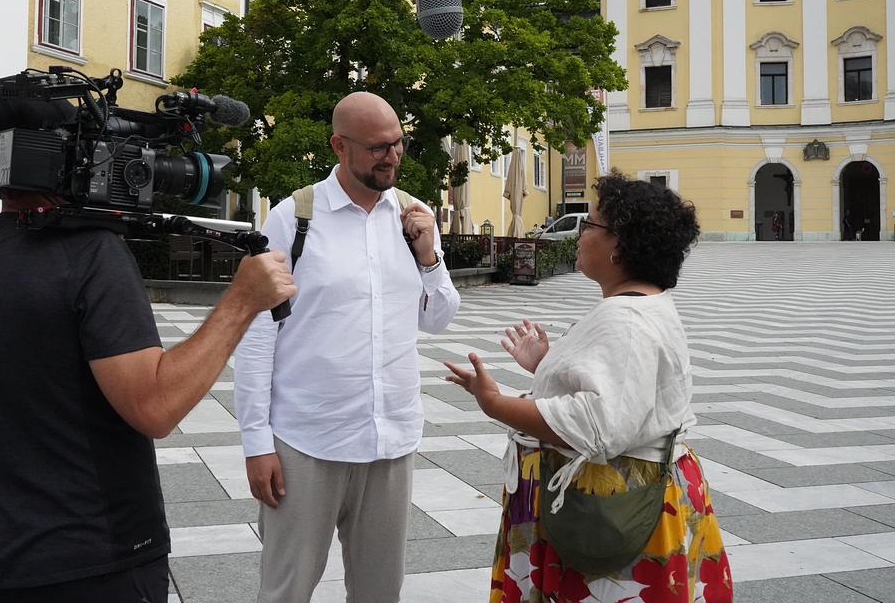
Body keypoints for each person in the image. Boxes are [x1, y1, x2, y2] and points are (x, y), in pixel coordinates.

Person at [0, 79, 296, 603]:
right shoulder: (89, 254)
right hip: (97, 563)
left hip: (2, 561)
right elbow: (154, 406)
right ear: (50, 153)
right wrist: (242, 300)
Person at [445, 173, 732, 603]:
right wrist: (548, 367)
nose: (578, 233)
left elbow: (598, 427)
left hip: (605, 508)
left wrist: (494, 403)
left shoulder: (627, 320)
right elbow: (622, 394)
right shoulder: (639, 307)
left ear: (620, 243)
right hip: (611, 502)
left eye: (589, 224)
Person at [234, 92, 461, 602]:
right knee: (286, 590)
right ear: (339, 145)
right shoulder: (294, 218)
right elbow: (256, 332)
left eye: (398, 144)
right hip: (307, 439)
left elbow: (439, 319)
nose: (393, 156)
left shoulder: (410, 216)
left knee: (380, 592)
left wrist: (429, 259)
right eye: (379, 147)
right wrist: (256, 442)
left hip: (391, 439)